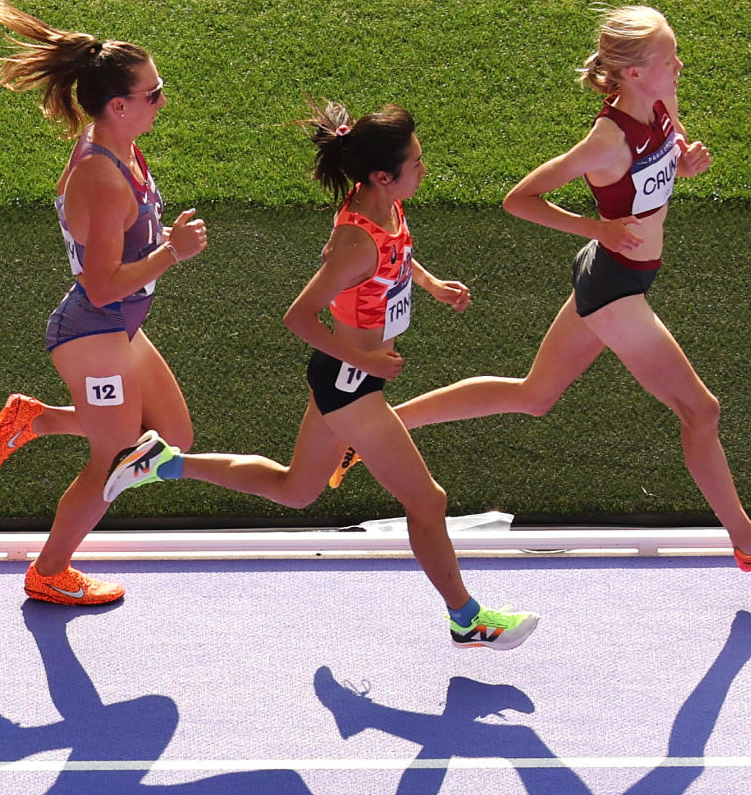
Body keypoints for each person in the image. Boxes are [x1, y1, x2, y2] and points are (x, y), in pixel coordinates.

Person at [390, 6, 751, 572]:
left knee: (533, 395)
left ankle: (379, 429)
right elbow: (520, 199)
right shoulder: (604, 141)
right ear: (636, 73)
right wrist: (596, 225)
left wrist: (686, 165)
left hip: (620, 275)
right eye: (669, 59)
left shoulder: (661, 107)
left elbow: (663, 161)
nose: (679, 65)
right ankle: (750, 545)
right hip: (616, 285)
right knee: (701, 410)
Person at [110, 104, 539, 648]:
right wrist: (365, 361)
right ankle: (467, 617)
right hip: (350, 384)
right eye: (416, 163)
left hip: (350, 378)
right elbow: (298, 316)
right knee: (427, 501)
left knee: (296, 489)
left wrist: (431, 284)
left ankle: (166, 463)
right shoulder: (355, 240)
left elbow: (398, 254)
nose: (423, 169)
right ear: (383, 175)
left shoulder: (383, 206)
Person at [0, 0, 210, 607]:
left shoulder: (122, 147)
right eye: (153, 94)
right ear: (118, 105)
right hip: (94, 327)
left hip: (120, 327)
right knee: (118, 455)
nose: (162, 101)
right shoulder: (102, 174)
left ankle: (39, 419)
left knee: (171, 437)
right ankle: (49, 571)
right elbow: (102, 284)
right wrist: (172, 253)